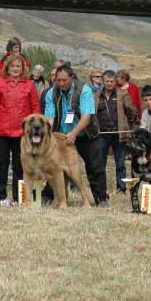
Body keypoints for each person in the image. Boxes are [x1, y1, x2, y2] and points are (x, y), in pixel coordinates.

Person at [45, 64, 110, 207]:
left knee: (95, 166)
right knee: (54, 166)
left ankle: (101, 199)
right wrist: (47, 135)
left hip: (85, 133)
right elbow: (49, 117)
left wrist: (74, 133)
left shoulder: (84, 90)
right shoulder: (51, 93)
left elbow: (86, 117)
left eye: (64, 80)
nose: (61, 83)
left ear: (72, 78)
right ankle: (48, 197)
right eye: (58, 80)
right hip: (61, 136)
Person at [0, 53, 40, 206]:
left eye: (19, 66)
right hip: (1, 131)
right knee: (1, 164)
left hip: (22, 133)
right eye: (13, 66)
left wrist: (35, 130)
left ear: (23, 69)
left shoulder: (29, 85)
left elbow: (35, 108)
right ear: (8, 68)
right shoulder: (0, 84)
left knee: (19, 165)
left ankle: (18, 197)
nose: (16, 69)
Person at [95, 70, 135, 194]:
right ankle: (101, 188)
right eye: (106, 81)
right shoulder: (96, 95)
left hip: (119, 134)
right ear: (102, 81)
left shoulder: (123, 94)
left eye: (111, 81)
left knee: (120, 163)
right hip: (102, 134)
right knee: (101, 163)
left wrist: (127, 126)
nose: (109, 84)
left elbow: (130, 112)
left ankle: (121, 189)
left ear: (115, 81)